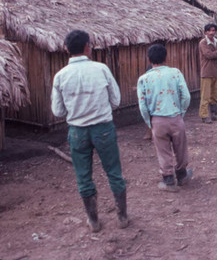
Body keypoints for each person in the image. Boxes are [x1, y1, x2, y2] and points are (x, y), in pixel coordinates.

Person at [51, 30, 128, 233]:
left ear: (66, 49)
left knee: (83, 177)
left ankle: (93, 221)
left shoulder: (60, 76)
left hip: (77, 131)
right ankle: (122, 217)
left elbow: (58, 111)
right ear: (87, 46)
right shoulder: (101, 69)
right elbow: (116, 101)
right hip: (103, 129)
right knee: (114, 173)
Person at [137, 44, 192, 192]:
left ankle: (168, 180)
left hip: (157, 120)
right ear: (166, 57)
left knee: (163, 150)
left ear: (149, 59)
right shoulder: (175, 73)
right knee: (180, 147)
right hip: (176, 117)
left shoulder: (144, 78)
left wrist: (149, 122)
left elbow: (142, 105)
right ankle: (182, 175)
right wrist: (181, 113)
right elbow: (186, 96)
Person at [199, 23, 217, 124]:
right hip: (207, 71)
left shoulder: (216, 42)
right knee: (205, 95)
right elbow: (208, 55)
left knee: (214, 95)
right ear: (205, 32)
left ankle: (214, 114)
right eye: (209, 31)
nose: (211, 32)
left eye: (213, 30)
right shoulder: (203, 42)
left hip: (216, 71)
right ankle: (204, 115)